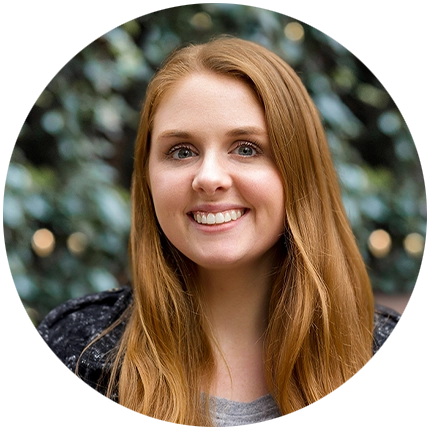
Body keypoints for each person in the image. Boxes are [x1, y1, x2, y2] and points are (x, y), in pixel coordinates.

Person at [37, 36, 426, 427]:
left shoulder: (400, 365)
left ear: (300, 173)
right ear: (148, 176)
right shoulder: (74, 351)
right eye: (181, 151)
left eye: (245, 148)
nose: (208, 178)